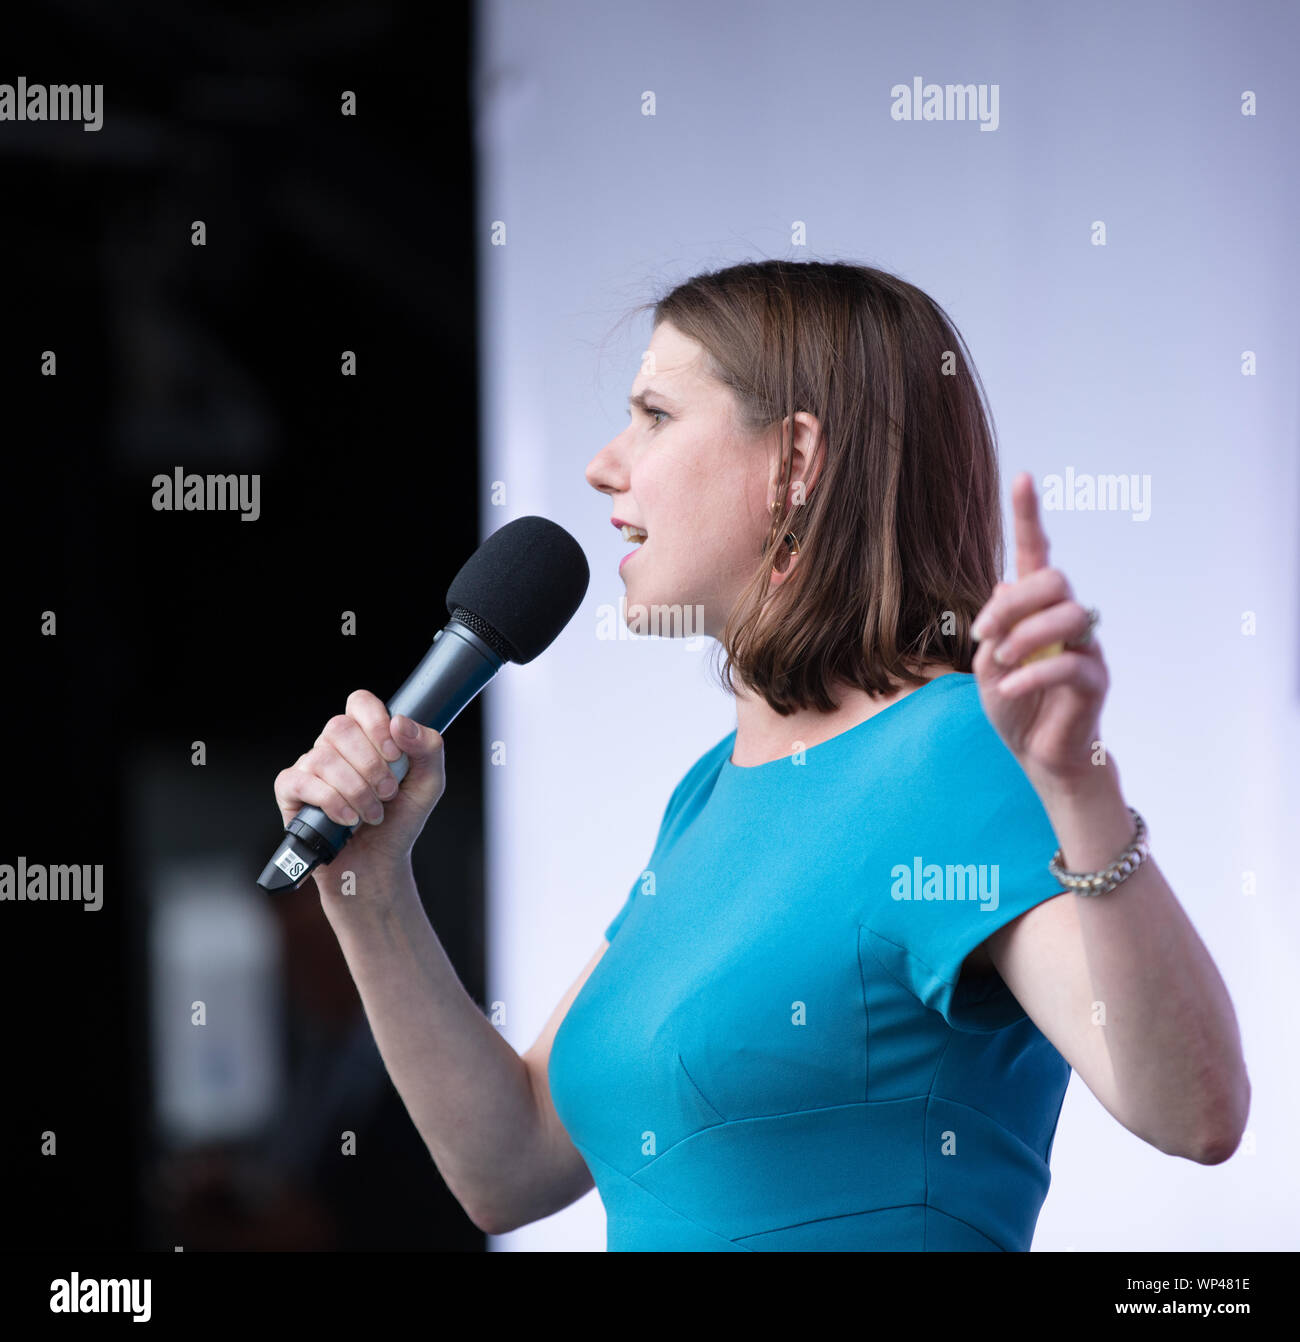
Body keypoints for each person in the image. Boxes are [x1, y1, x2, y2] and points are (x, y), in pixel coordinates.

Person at [274, 259, 1250, 1251]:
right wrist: (371, 885)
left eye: (653, 414)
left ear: (793, 460)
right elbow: (510, 1165)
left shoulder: (960, 749)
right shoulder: (711, 793)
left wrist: (1080, 790)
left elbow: (1195, 1114)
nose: (604, 465)